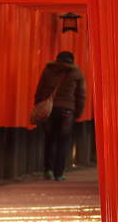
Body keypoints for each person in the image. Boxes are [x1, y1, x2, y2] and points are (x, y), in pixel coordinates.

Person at [33, 50, 86, 181]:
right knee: (63, 141)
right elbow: (81, 95)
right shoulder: (77, 73)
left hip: (49, 110)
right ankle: (59, 173)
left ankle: (48, 170)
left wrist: (38, 105)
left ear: (57, 59)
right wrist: (78, 113)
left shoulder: (49, 70)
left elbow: (40, 89)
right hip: (67, 111)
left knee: (49, 139)